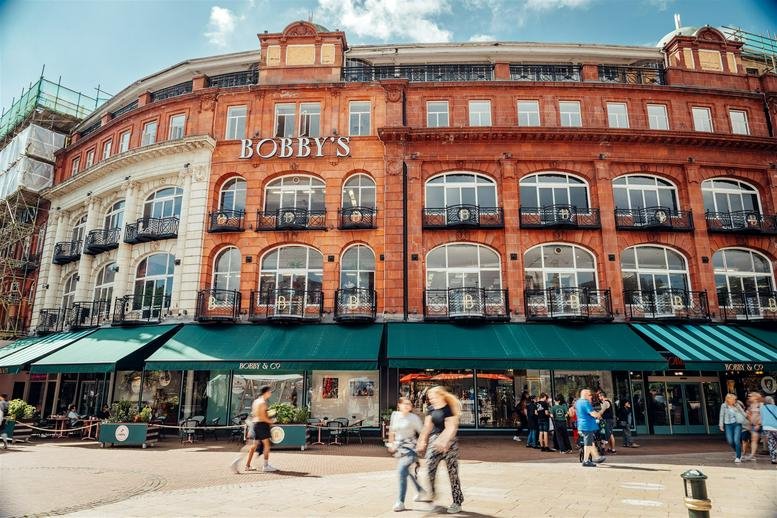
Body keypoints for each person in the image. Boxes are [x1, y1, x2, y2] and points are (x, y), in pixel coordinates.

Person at [416, 386, 464, 514]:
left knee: (453, 474)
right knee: (429, 468)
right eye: (429, 397)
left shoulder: (448, 408)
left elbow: (451, 427)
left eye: (433, 396)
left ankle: (457, 501)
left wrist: (444, 441)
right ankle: (432, 495)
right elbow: (426, 427)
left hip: (449, 443)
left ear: (441, 395)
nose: (430, 399)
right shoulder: (430, 409)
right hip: (434, 441)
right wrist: (422, 440)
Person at [387, 397, 424, 512]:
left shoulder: (414, 418)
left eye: (409, 404)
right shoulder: (395, 415)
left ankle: (400, 502)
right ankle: (420, 490)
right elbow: (392, 431)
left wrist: (421, 445)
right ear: (399, 405)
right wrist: (391, 444)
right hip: (399, 449)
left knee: (401, 471)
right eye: (405, 404)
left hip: (411, 449)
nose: (408, 406)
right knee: (406, 472)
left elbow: (422, 432)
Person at [231, 385, 277, 473]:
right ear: (266, 392)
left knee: (251, 446)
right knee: (266, 445)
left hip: (254, 424)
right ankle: (265, 465)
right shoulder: (262, 403)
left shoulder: (256, 401)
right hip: (262, 425)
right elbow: (262, 417)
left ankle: (239, 463)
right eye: (270, 391)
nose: (270, 393)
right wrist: (272, 421)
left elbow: (254, 414)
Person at [575, 389, 606, 467]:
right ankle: (586, 460)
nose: (591, 396)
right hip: (587, 426)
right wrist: (598, 415)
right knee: (588, 444)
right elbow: (593, 413)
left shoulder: (578, 402)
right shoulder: (586, 403)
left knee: (590, 442)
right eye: (589, 395)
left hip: (582, 425)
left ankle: (597, 457)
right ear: (585, 395)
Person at [719, 393, 747, 463]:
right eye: (734, 399)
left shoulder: (737, 405)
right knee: (730, 441)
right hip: (728, 425)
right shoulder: (724, 406)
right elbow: (721, 415)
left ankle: (738, 456)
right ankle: (738, 452)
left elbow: (743, 413)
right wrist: (721, 425)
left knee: (736, 440)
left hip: (737, 424)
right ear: (729, 399)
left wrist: (749, 417)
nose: (735, 400)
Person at [743, 392, 764, 461]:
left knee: (770, 440)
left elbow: (763, 415)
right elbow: (749, 416)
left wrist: (759, 424)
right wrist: (748, 415)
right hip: (753, 426)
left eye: (750, 396)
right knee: (754, 440)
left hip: (762, 426)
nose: (749, 397)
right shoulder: (751, 405)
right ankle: (752, 454)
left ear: (756, 397)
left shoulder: (761, 405)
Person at [598, 390, 616, 454]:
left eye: (599, 396)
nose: (599, 398)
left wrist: (596, 414)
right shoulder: (607, 402)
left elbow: (602, 411)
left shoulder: (605, 402)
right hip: (609, 420)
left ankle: (613, 449)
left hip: (608, 420)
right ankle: (611, 448)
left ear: (602, 396)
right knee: (609, 434)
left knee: (610, 434)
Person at [761, 396, 777, 465]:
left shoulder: (762, 408)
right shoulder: (774, 407)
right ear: (771, 401)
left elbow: (762, 417)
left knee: (771, 442)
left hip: (766, 427)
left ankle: (773, 459)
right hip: (775, 427)